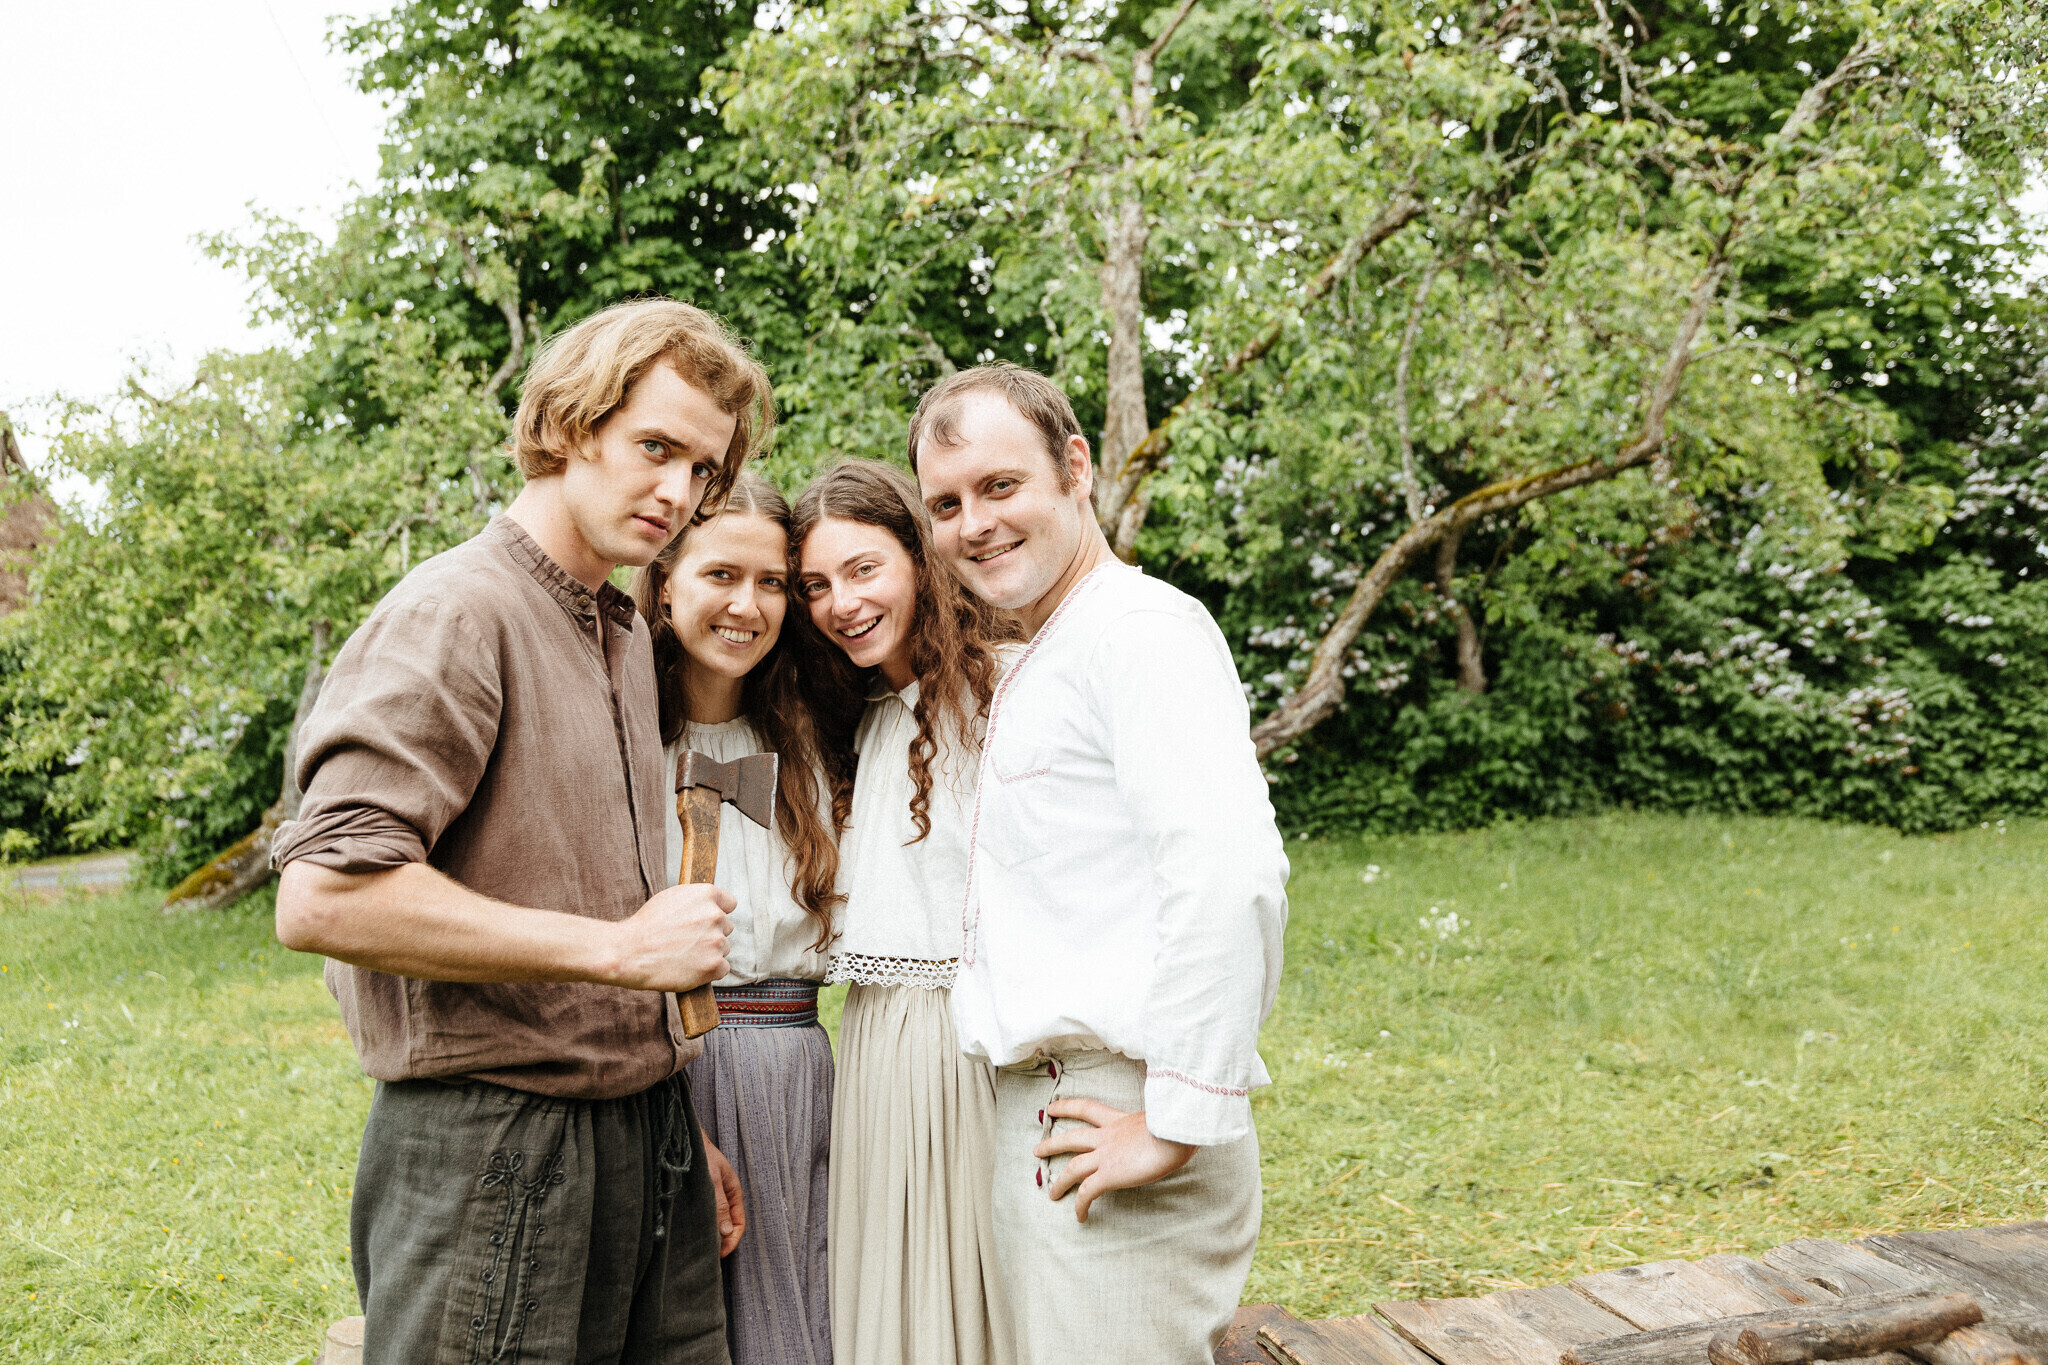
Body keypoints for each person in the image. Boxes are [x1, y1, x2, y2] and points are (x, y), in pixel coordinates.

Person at [271, 297, 771, 1365]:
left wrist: (670, 1109)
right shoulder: (457, 611)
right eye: (655, 448)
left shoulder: (621, 633)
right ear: (568, 424)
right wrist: (619, 950)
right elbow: (325, 895)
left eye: (702, 469)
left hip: (646, 1139)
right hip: (493, 1144)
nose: (679, 493)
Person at [907, 364, 1290, 1365]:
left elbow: (1226, 875)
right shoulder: (1053, 648)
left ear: (1074, 468)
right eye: (946, 504)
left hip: (1118, 1108)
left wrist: (1174, 1120)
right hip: (1053, 1112)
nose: (974, 524)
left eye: (1000, 486)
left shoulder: (1139, 632)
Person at [791, 460, 1019, 1365]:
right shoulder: (872, 713)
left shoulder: (1001, 690)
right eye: (817, 585)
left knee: (966, 1289)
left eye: (863, 569)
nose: (841, 603)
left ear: (921, 561)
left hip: (967, 1041)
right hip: (876, 1039)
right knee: (892, 1293)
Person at [632, 471, 853, 1365]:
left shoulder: (816, 736)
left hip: (793, 1066)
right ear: (665, 583)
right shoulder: (621, 737)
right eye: (721, 574)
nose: (747, 605)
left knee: (794, 1310)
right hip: (662, 1063)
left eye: (771, 583)